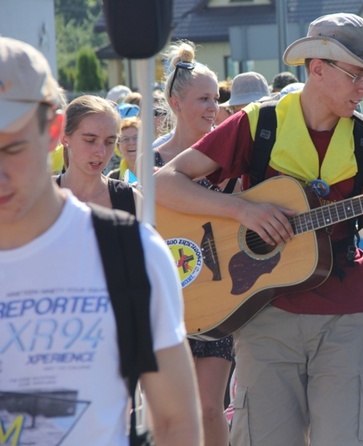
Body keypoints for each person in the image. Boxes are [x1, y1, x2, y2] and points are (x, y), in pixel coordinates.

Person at [154, 13, 363, 446]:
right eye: (358, 74)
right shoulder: (259, 122)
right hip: (264, 316)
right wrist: (241, 212)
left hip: (345, 320)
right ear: (318, 68)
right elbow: (163, 181)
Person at [0, 36, 202, 446]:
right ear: (67, 138)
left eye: (12, 147)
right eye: (91, 140)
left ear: (52, 130)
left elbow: (175, 421)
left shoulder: (132, 248)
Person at [154, 40, 234, 446]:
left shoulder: (229, 162)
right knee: (171, 414)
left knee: (208, 407)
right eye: (203, 98)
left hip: (220, 300)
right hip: (168, 303)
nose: (213, 107)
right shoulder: (149, 164)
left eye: (216, 97)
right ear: (175, 102)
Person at [57, 95, 142, 215]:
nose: (101, 152)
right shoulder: (40, 197)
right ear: (65, 139)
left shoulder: (131, 199)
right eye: (90, 140)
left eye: (109, 142)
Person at [108, 116, 140, 184]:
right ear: (118, 146)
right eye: (125, 139)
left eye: (136, 138)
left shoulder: (158, 171)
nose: (131, 143)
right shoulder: (112, 178)